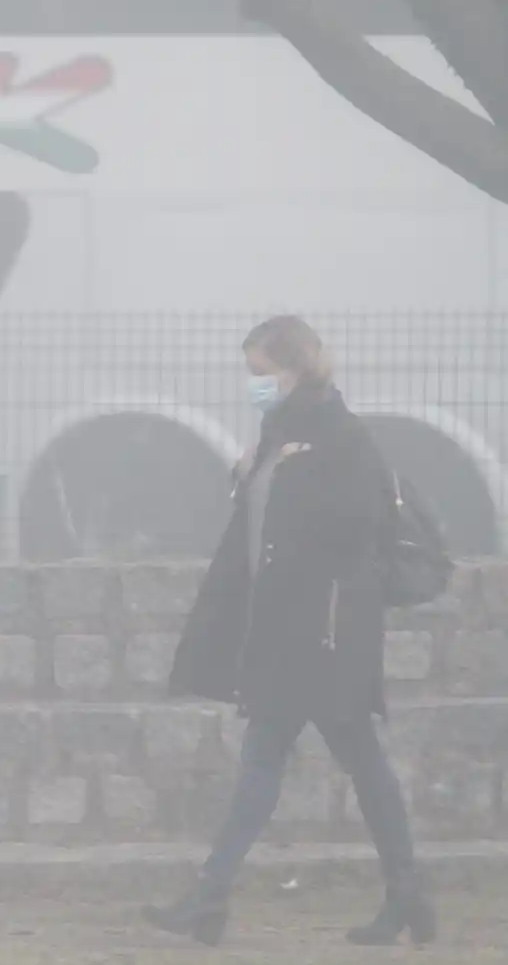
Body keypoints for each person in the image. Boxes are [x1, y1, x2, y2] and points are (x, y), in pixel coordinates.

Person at [142, 315, 436, 947]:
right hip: (287, 633)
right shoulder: (282, 433)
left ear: (297, 367)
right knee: (322, 763)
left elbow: (355, 527)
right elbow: (266, 527)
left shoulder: (340, 435)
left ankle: (211, 898)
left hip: (326, 637)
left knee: (299, 763)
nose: (254, 385)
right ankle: (403, 897)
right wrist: (249, 473)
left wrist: (291, 478)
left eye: (261, 372)